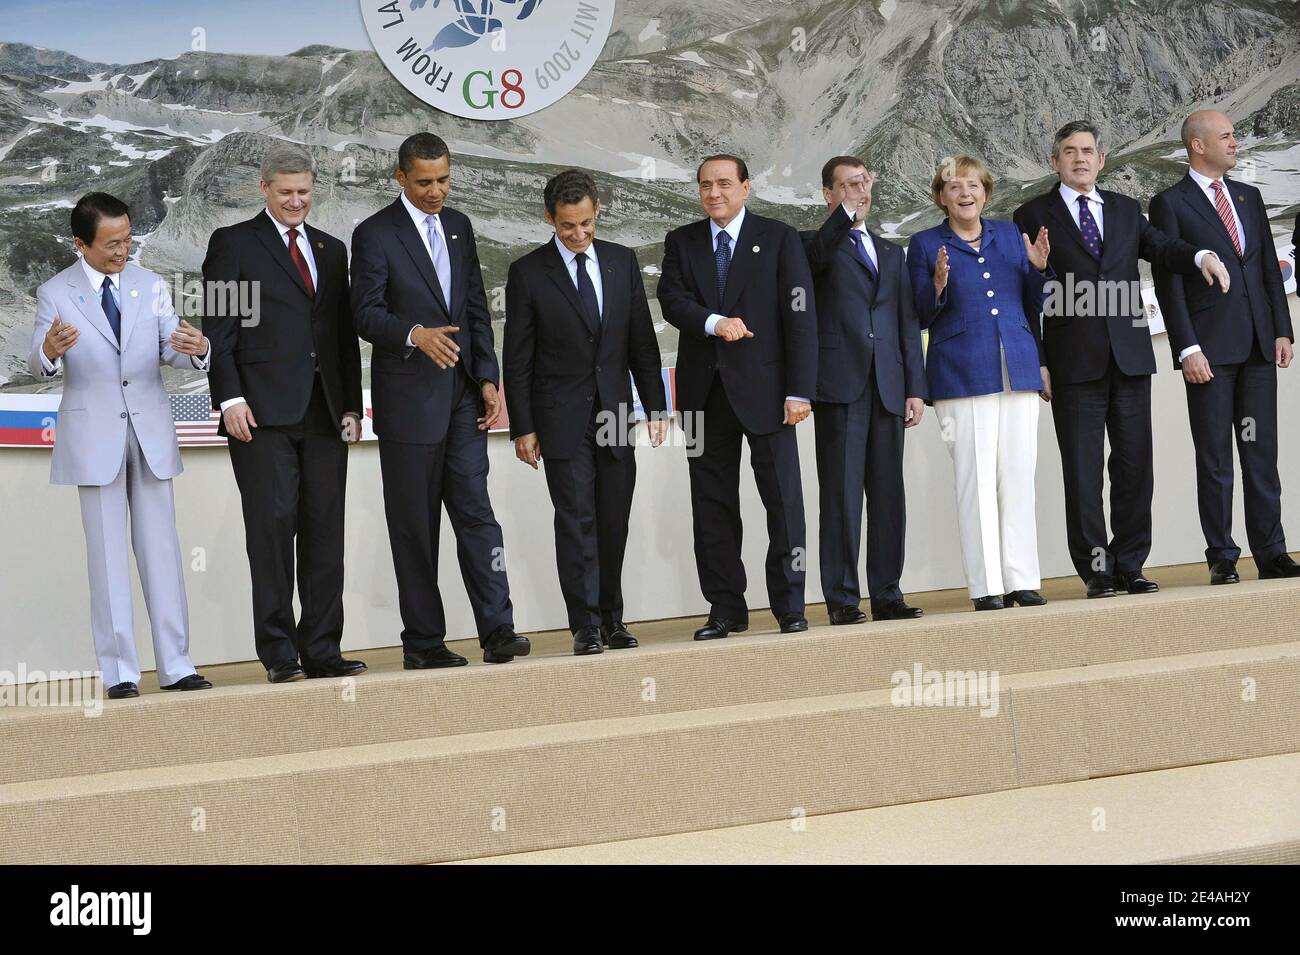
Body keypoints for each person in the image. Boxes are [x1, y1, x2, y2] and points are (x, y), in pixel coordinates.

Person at [1013, 120, 1230, 599]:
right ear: (1055, 162)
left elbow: (1162, 248)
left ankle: (1130, 563)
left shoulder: (1125, 209)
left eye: (1088, 150)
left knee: (1134, 467)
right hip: (1073, 364)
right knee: (1083, 471)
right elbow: (1026, 296)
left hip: (1130, 360)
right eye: (1069, 151)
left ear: (1101, 160)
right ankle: (1097, 570)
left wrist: (1200, 257)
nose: (1080, 158)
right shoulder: (1032, 214)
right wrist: (1040, 360)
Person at [351, 132, 530, 666]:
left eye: (444, 180)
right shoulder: (374, 234)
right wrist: (414, 334)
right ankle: (424, 643)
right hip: (407, 404)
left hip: (463, 399)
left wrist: (489, 378)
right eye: (425, 182)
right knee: (415, 525)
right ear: (400, 178)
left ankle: (499, 630)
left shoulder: (459, 227)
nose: (437, 192)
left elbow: (475, 308)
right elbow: (364, 313)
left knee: (477, 514)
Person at [31, 192, 212, 698]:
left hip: (149, 431)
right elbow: (38, 361)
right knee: (107, 558)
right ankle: (120, 674)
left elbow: (167, 350)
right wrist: (48, 351)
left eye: (128, 239)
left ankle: (177, 666)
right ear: (80, 243)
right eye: (112, 243)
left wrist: (196, 352)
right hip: (94, 437)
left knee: (163, 552)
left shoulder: (150, 285)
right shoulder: (56, 292)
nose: (122, 251)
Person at [203, 142, 366, 684]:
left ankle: (322, 649)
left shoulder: (332, 248)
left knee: (324, 532)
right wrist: (229, 399)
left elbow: (343, 338)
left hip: (325, 414)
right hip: (260, 414)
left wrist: (351, 406)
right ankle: (279, 653)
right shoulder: (233, 244)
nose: (296, 201)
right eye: (286, 192)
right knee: (272, 533)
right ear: (264, 189)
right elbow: (219, 331)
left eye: (304, 192)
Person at [503, 169, 669, 655]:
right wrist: (524, 426)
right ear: (550, 218)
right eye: (567, 227)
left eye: (586, 225)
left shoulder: (621, 262)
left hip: (616, 414)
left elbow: (641, 340)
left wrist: (656, 407)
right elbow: (518, 357)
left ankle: (613, 619)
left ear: (597, 210)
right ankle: (585, 625)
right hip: (560, 420)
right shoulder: (528, 273)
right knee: (576, 520)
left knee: (613, 517)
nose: (578, 235)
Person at [657, 154, 817, 640]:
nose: (714, 193)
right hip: (704, 397)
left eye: (724, 184)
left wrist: (799, 390)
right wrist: (714, 323)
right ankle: (725, 608)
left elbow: (801, 318)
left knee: (784, 504)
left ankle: (790, 605)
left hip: (769, 395)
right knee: (711, 506)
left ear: (747, 188)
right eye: (705, 185)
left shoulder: (779, 238)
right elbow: (673, 300)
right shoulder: (681, 242)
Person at [1150, 110, 1298, 584]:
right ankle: (1222, 555)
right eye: (1227, 136)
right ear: (1198, 144)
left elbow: (1266, 271)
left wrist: (1281, 329)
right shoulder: (1169, 203)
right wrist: (1186, 347)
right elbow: (1169, 282)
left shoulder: (1248, 197)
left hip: (1257, 348)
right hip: (1209, 354)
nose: (1235, 142)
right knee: (1214, 458)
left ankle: (1272, 552)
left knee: (1259, 453)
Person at [907, 155, 1052, 611]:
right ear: (941, 197)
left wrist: (1039, 270)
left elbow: (1033, 303)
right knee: (976, 481)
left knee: (1018, 477)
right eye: (954, 187)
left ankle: (1023, 579)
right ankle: (987, 585)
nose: (965, 193)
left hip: (1019, 368)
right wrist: (937, 285)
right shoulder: (925, 244)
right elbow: (918, 314)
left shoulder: (1010, 234)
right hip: (960, 373)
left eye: (973, 185)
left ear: (986, 193)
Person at [802, 155, 927, 625]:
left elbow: (906, 322)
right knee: (841, 495)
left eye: (864, 182)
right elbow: (814, 265)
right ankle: (841, 599)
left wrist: (915, 385)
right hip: (840, 386)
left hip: (889, 387)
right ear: (827, 194)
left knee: (888, 494)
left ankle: (888, 593)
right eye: (849, 184)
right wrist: (843, 219)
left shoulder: (891, 252)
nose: (860, 190)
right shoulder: (814, 244)